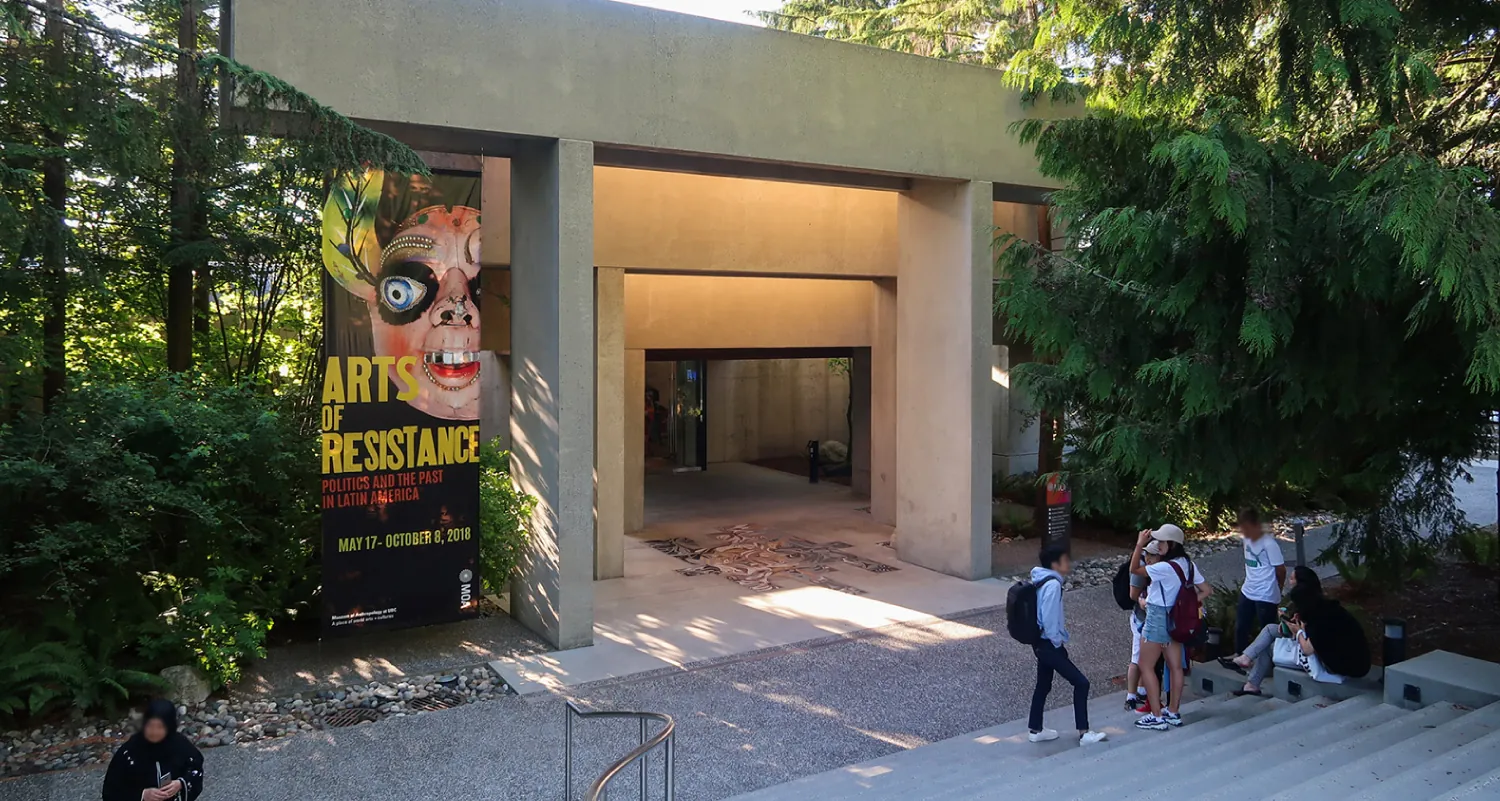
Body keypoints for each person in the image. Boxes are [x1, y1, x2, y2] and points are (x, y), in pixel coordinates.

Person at [1232, 566, 1371, 694]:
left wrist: (1298, 631)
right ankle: (1247, 661)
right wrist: (1291, 624)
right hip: (1344, 656)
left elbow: (1308, 649)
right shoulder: (1323, 606)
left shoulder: (1319, 618)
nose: (1289, 581)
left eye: (1292, 578)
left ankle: (1251, 681)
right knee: (1270, 630)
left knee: (1269, 647)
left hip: (1342, 665)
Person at [1130, 524, 1212, 731]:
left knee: (1145, 665)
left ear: (1172, 544)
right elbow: (1206, 590)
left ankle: (1156, 716)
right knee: (1175, 666)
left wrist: (1139, 545)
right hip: (1176, 620)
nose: (1158, 545)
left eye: (1162, 541)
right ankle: (1173, 712)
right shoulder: (1188, 565)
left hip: (1157, 616)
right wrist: (1186, 605)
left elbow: (1134, 570)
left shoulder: (1164, 568)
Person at [1027, 545, 1110, 747]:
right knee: (1081, 683)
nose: (1069, 564)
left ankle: (1036, 730)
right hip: (1048, 644)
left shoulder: (1040, 579)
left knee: (1043, 685)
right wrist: (1057, 642)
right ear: (1055, 564)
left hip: (1039, 643)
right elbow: (1049, 618)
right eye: (1065, 560)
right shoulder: (1052, 584)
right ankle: (1084, 733)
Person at [103, 699, 204, 801]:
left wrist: (181, 783)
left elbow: (195, 769)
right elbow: (111, 789)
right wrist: (142, 795)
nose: (154, 732)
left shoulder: (180, 745)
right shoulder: (130, 751)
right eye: (150, 726)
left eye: (160, 727)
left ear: (169, 727)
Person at [1234, 507, 1286, 655]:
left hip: (1266, 593)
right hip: (1248, 590)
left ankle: (1269, 659)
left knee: (1266, 629)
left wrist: (1278, 587)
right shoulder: (1247, 540)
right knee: (1241, 627)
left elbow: (1280, 569)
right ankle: (1240, 655)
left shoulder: (1269, 544)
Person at [1124, 550, 1150, 712]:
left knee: (1146, 657)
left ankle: (1141, 690)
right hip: (1141, 618)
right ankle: (1131, 696)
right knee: (1137, 657)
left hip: (1149, 617)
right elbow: (1133, 594)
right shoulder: (1141, 564)